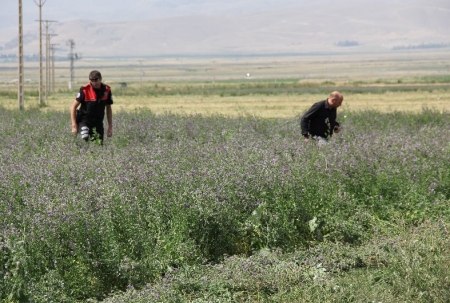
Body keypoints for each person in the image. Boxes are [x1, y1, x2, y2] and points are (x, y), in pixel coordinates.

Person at [70, 70, 113, 144]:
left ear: (100, 79)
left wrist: (110, 127)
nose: (94, 82)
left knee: (98, 144)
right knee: (85, 138)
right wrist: (74, 125)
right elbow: (73, 107)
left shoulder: (107, 90)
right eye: (91, 80)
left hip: (98, 122)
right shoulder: (84, 90)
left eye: (96, 80)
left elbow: (108, 108)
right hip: (84, 120)